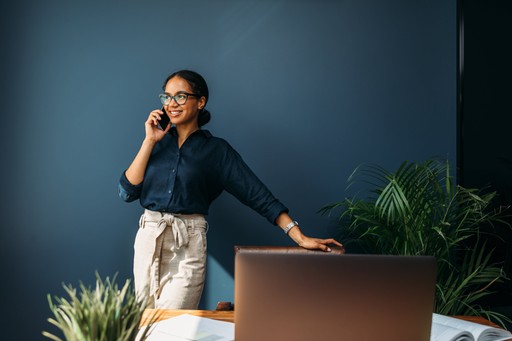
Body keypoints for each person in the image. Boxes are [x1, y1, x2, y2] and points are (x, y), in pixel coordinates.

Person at [118, 70, 342, 309]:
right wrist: (149, 141)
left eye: (181, 96)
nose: (172, 104)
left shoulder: (217, 151)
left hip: (187, 241)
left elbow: (256, 194)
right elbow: (127, 192)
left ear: (200, 101)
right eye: (167, 97)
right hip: (148, 238)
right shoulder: (156, 142)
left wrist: (298, 236)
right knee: (146, 326)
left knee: (175, 327)